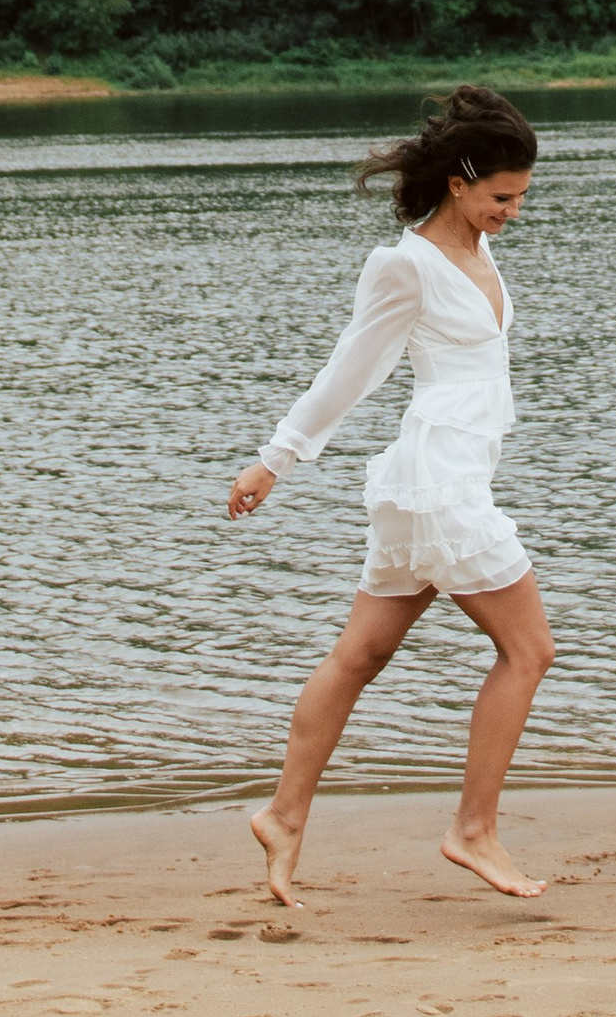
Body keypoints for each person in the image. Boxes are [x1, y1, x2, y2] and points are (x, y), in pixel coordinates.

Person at [229, 87, 554, 905]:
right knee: (529, 650)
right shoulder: (405, 264)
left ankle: (283, 815)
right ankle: (472, 829)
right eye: (501, 196)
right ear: (457, 182)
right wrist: (276, 459)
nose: (513, 211)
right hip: (441, 485)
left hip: (444, 480)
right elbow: (350, 370)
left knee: (360, 655)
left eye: (521, 196)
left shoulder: (479, 250)